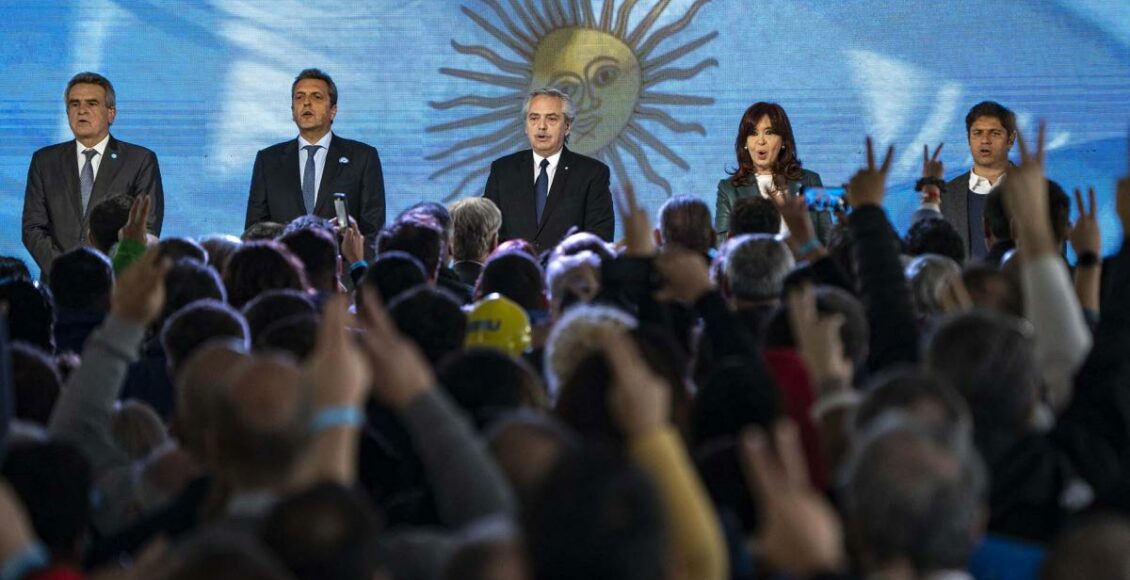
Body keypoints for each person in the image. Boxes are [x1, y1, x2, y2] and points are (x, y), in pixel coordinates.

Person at [22, 72, 164, 277]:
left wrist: (110, 271)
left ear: (111, 113)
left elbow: (146, 227)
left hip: (114, 283)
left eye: (92, 103)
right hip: (58, 283)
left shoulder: (139, 160)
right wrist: (63, 270)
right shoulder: (44, 161)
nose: (82, 110)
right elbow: (33, 228)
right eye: (74, 104)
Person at [245, 69, 385, 256]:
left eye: (316, 97)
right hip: (284, 269)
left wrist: (354, 268)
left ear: (333, 110)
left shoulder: (363, 157)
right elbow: (254, 230)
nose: (306, 102)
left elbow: (373, 231)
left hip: (341, 269)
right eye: (299, 97)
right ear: (292, 110)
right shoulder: (268, 160)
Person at [483, 88, 614, 251]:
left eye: (551, 119)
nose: (541, 126)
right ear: (526, 126)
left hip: (567, 267)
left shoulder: (592, 174)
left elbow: (600, 238)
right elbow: (486, 232)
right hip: (513, 266)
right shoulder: (502, 171)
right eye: (534, 118)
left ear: (567, 126)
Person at [714, 102, 825, 240]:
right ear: (745, 143)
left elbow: (827, 238)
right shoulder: (729, 189)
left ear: (783, 141)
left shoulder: (810, 181)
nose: (761, 141)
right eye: (753, 133)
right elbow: (722, 243)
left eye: (769, 132)